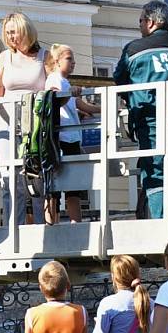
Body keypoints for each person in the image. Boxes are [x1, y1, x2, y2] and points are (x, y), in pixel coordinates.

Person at [113, 0, 168, 220]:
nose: (140, 25)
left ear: (151, 22)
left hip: (153, 121)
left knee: (156, 173)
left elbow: (120, 80)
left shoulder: (135, 49)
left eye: (141, 21)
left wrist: (131, 103)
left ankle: (160, 220)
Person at [0, 12, 48, 226]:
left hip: (34, 123)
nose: (11, 37)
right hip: (6, 122)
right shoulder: (5, 57)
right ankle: (11, 226)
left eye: (14, 32)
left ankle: (40, 226)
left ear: (25, 31)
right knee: (8, 175)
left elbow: (54, 85)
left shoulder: (44, 56)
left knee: (36, 175)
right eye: (7, 33)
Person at [44, 44, 100, 224]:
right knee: (54, 189)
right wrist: (69, 93)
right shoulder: (54, 79)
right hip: (60, 139)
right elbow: (55, 99)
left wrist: (102, 109)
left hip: (72, 139)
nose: (73, 62)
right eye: (69, 58)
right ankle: (52, 225)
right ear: (56, 61)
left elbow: (78, 104)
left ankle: (76, 224)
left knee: (74, 186)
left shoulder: (65, 81)